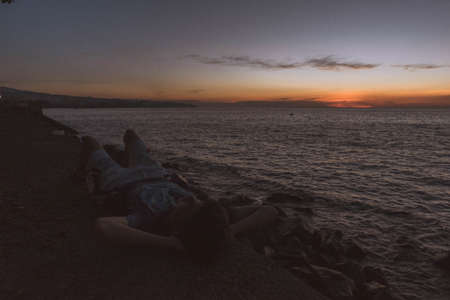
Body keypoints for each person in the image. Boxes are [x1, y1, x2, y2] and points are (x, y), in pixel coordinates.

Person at [78, 129, 278, 262]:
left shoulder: (150, 217)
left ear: (178, 227)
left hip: (122, 179)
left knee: (89, 141)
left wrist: (171, 243)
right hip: (155, 171)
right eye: (196, 201)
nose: (192, 198)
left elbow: (104, 225)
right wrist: (229, 231)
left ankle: (82, 171)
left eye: (191, 205)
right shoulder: (210, 216)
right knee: (130, 135)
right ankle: (123, 156)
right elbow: (269, 210)